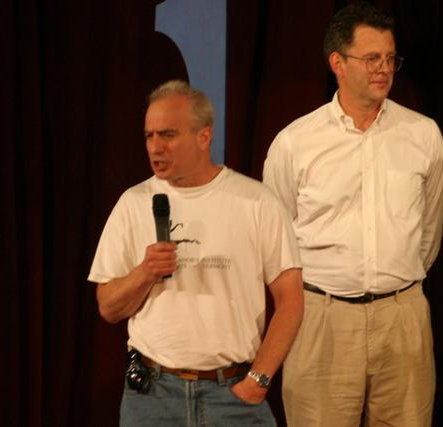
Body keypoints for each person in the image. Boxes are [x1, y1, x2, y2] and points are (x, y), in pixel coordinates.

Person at [263, 2, 443, 426]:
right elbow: (276, 242)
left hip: (402, 316)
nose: (383, 69)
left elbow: (430, 229)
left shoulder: (423, 135)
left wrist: (396, 283)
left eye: (390, 58)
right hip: (322, 317)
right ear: (338, 63)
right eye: (371, 58)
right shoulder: (295, 142)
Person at [89, 80, 304, 426]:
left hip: (233, 395)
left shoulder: (256, 202)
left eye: (168, 135)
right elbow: (108, 307)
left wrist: (259, 379)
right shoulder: (133, 203)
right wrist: (145, 272)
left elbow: (291, 299)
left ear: (204, 137)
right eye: (149, 136)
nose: (155, 147)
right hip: (152, 397)